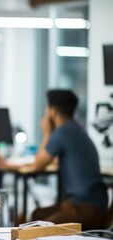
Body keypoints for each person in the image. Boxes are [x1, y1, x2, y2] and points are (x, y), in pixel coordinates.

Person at [21, 89, 107, 230]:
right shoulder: (76, 129)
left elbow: (37, 166)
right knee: (37, 214)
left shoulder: (62, 131)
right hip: (93, 203)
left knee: (37, 228)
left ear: (52, 111)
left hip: (85, 207)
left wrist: (46, 132)